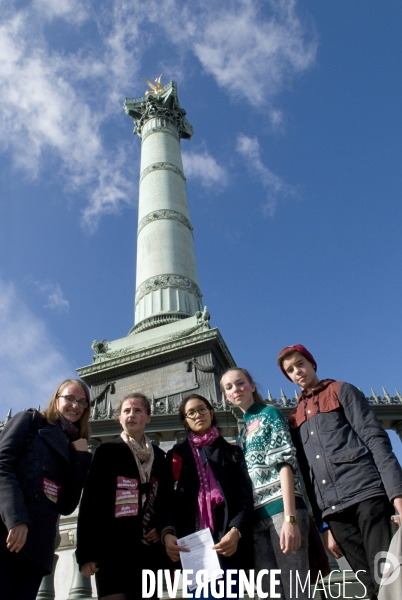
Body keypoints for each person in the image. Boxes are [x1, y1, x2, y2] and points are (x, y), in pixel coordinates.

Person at [277, 343, 402, 600]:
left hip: (366, 494)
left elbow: (376, 440)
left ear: (312, 364)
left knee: (387, 577)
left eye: (300, 364)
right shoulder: (294, 418)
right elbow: (306, 474)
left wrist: (397, 494)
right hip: (334, 511)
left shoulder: (341, 391)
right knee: (367, 582)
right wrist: (325, 527)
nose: (297, 371)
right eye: (290, 370)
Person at [220, 368, 310, 600]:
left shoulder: (269, 413)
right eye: (228, 387)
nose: (235, 390)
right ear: (226, 396)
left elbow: (285, 464)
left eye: (240, 383)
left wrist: (290, 518)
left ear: (251, 386)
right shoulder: (243, 432)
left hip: (282, 510)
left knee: (296, 590)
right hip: (257, 519)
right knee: (271, 593)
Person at [0, 378, 92, 600]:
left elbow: (67, 505)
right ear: (56, 399)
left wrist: (81, 458)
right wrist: (16, 518)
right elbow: (2, 464)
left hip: (36, 549)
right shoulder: (31, 421)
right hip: (8, 534)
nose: (75, 406)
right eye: (69, 398)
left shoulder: (73, 446)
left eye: (82, 402)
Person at [161, 393, 254, 599]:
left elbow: (244, 496)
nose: (197, 415)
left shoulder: (232, 452)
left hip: (226, 540)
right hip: (193, 544)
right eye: (191, 412)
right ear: (185, 420)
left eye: (202, 409)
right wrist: (167, 533)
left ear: (211, 412)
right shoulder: (176, 455)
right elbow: (166, 499)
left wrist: (236, 530)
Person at [76, 392, 166, 600]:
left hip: (147, 551)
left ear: (149, 417)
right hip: (112, 549)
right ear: (119, 418)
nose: (131, 415)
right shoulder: (106, 451)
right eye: (126, 411)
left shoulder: (160, 457)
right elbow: (90, 503)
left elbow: (165, 501)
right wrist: (85, 554)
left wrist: (159, 527)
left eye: (138, 410)